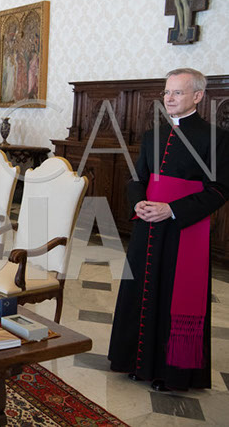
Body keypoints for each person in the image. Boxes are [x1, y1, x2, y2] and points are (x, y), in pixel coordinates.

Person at [108, 68, 229, 392]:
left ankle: (172, 373)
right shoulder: (153, 135)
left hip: (184, 230)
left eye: (177, 92)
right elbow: (137, 178)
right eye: (166, 92)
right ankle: (134, 362)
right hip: (147, 226)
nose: (169, 98)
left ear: (198, 96)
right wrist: (138, 203)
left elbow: (219, 189)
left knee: (172, 295)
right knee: (140, 291)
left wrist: (171, 210)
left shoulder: (216, 137)